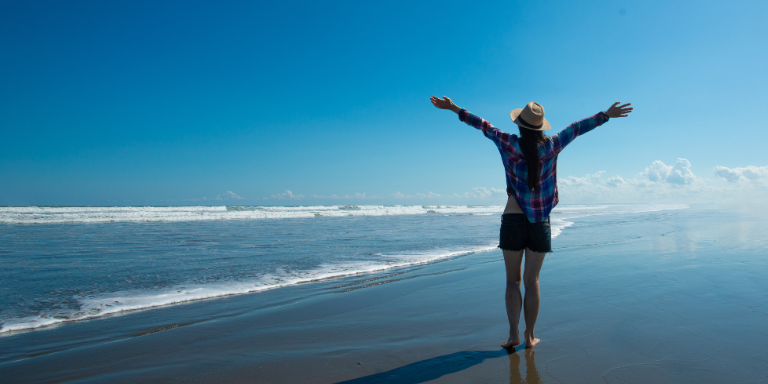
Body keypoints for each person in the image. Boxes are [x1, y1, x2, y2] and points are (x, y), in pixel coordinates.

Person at [430, 96, 633, 349]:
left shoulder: (507, 142)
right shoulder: (552, 145)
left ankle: (514, 334)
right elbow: (577, 128)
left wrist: (453, 108)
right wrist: (606, 114)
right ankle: (529, 337)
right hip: (540, 221)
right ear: (540, 127)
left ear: (519, 125)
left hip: (513, 218)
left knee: (512, 281)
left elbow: (482, 125)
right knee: (531, 281)